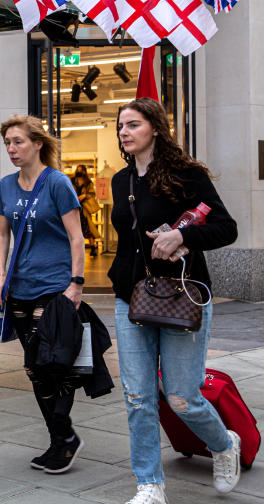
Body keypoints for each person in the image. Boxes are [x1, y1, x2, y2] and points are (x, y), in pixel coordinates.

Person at [109, 99, 239, 504]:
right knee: (138, 396)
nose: (124, 132)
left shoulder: (187, 176)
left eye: (132, 125)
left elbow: (226, 228)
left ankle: (224, 444)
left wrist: (182, 237)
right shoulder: (120, 180)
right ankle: (149, 484)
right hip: (132, 299)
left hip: (183, 297)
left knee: (183, 397)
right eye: (120, 127)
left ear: (155, 129)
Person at [0, 115, 88, 474]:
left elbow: (76, 237)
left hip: (53, 288)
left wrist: (75, 283)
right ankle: (61, 438)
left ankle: (63, 436)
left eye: (18, 142)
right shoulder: (6, 185)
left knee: (50, 363)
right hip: (20, 288)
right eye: (8, 143)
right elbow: (2, 234)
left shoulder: (58, 184)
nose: (12, 149)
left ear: (37, 144)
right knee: (35, 368)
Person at [71, 164, 101, 256]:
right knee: (74, 229)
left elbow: (92, 194)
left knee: (88, 227)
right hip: (74, 207)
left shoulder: (88, 182)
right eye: (78, 170)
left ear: (85, 171)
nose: (79, 172)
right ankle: (75, 249)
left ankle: (92, 248)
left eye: (81, 170)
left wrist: (84, 196)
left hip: (84, 208)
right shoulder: (72, 181)